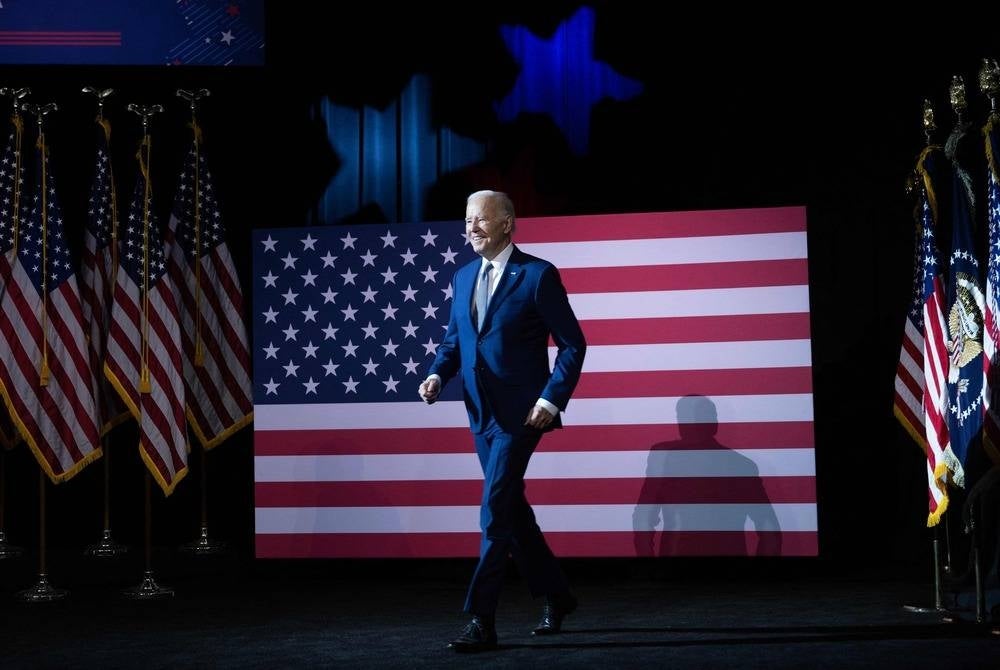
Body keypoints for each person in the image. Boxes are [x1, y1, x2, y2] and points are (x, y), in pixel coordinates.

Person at [418, 190, 586, 652]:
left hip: (521, 417)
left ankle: (481, 619)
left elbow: (573, 345)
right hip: (480, 414)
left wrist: (550, 401)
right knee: (511, 508)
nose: (470, 227)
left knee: (494, 508)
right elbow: (455, 341)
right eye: (467, 219)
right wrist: (436, 374)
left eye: (481, 220)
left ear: (508, 224)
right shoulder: (463, 275)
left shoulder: (537, 276)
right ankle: (556, 594)